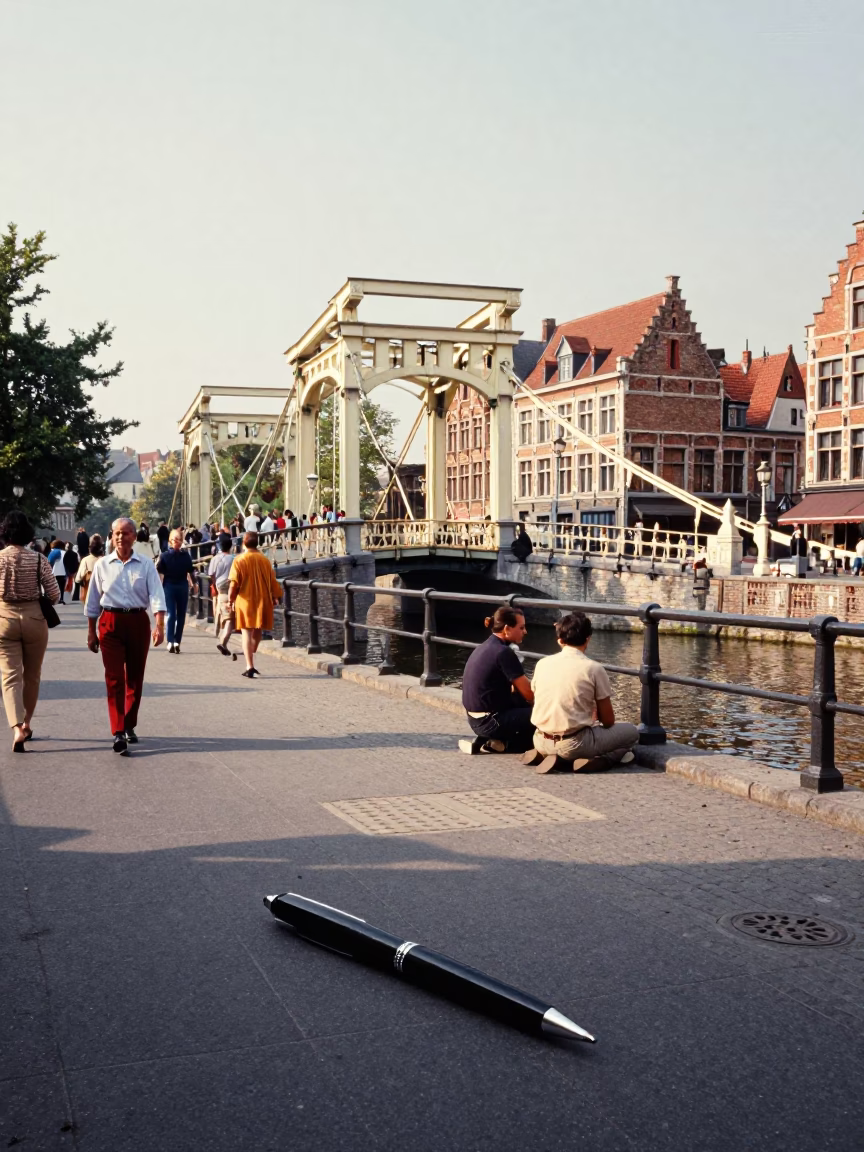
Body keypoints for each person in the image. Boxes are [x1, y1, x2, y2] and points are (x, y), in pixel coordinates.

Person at [85, 517, 166, 755]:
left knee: (134, 677)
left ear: (134, 536)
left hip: (138, 622)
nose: (121, 537)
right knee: (113, 677)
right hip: (110, 622)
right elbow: (92, 602)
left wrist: (159, 625)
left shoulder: (145, 564)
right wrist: (91, 632)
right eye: (116, 533)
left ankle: (129, 723)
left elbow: (157, 596)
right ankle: (118, 730)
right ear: (111, 536)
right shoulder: (102, 565)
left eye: (126, 533)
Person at [524, 610, 638, 774]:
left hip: (539, 738)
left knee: (569, 733)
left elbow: (538, 699)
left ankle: (546, 755)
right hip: (573, 743)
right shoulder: (593, 668)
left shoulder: (542, 663)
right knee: (631, 732)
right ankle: (601, 760)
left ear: (560, 640)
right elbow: (608, 721)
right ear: (588, 639)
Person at [0, 511, 60, 752]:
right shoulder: (38, 560)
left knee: (10, 677)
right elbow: (54, 595)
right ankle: (26, 724)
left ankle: (15, 728)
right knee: (32, 675)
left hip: (4, 618)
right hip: (35, 618)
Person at [459, 606, 535, 754]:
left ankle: (489, 741)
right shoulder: (503, 653)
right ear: (507, 629)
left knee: (521, 701)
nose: (525, 632)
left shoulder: (484, 646)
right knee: (543, 716)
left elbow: (512, 689)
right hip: (491, 721)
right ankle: (506, 744)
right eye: (521, 627)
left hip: (475, 719)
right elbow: (529, 693)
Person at [228, 531, 283, 678]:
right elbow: (272, 581)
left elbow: (234, 584)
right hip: (262, 600)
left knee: (246, 631)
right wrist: (276, 596)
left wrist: (230, 600)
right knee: (258, 629)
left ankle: (249, 665)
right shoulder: (265, 560)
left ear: (244, 543)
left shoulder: (239, 560)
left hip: (245, 600)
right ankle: (251, 652)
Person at [155, 529, 196, 653]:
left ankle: (177, 641)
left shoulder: (185, 556)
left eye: (178, 539)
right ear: (170, 541)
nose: (176, 542)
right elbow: (159, 572)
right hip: (169, 586)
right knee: (172, 614)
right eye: (174, 539)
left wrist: (195, 583)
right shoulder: (165, 556)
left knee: (181, 615)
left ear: (182, 541)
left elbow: (191, 571)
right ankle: (170, 640)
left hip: (182, 585)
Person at [208, 533, 237, 658]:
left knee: (221, 613)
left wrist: (214, 584)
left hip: (219, 589)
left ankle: (219, 635)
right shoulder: (233, 559)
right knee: (230, 619)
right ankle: (223, 642)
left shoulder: (215, 559)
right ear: (230, 547)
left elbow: (211, 574)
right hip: (229, 589)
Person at [75, 534, 104, 602]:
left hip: (88, 591)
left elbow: (78, 579)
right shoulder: (105, 560)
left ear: (89, 547)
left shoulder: (85, 560)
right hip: (103, 593)